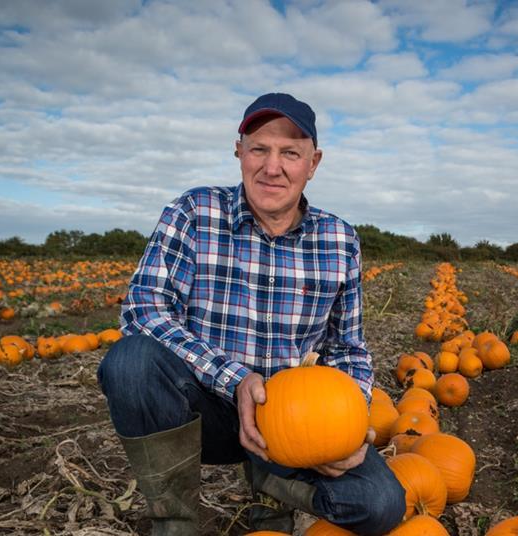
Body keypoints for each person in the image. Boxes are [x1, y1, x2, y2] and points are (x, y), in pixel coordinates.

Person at [97, 93, 405, 536]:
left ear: (313, 163)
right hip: (205, 407)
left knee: (379, 505)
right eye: (259, 149)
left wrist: (351, 422)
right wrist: (236, 380)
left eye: (290, 153)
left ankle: (270, 484)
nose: (272, 167)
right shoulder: (195, 212)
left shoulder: (339, 240)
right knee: (131, 362)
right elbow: (144, 310)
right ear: (239, 151)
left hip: (294, 422)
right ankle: (174, 522)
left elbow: (346, 347)